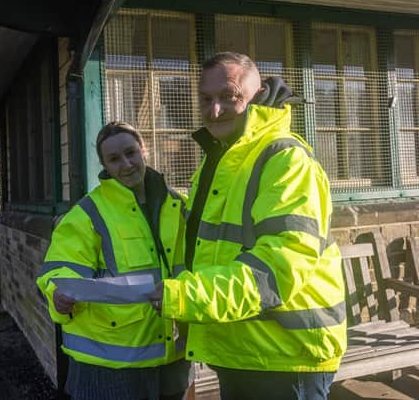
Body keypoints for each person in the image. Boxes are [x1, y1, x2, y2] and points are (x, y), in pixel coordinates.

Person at [149, 52, 346, 400]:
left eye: (229, 97)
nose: (214, 110)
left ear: (257, 99)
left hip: (285, 356)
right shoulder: (219, 161)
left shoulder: (284, 159)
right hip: (240, 347)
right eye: (206, 99)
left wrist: (184, 296)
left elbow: (281, 265)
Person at [36, 121, 194, 400]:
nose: (126, 164)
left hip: (174, 353)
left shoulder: (177, 205)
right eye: (114, 159)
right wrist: (57, 294)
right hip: (112, 366)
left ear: (143, 151)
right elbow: (58, 269)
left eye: (130, 153)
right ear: (105, 166)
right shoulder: (87, 213)